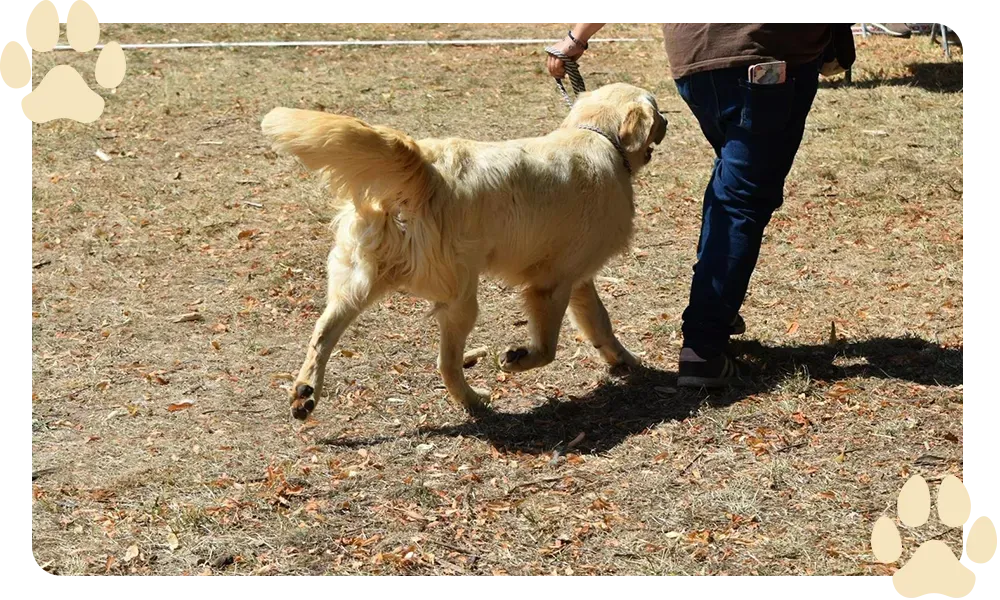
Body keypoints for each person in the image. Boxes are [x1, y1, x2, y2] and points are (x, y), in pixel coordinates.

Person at [545, 19, 855, 388]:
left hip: (695, 58)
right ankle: (704, 346)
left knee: (735, 181)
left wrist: (577, 38)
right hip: (768, 52)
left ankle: (718, 306)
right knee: (744, 197)